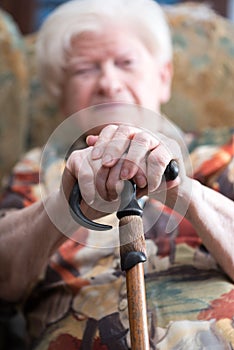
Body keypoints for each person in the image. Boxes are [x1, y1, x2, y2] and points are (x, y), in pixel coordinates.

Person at [0, 0, 233, 349]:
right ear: (59, 96)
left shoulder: (218, 153)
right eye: (84, 70)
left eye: (126, 63)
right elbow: (4, 278)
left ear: (163, 77)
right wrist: (66, 205)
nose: (109, 83)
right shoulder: (39, 167)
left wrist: (183, 190)